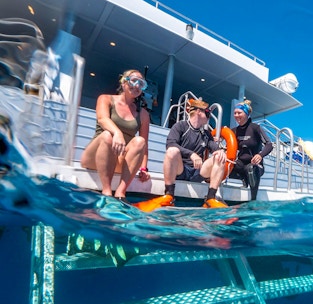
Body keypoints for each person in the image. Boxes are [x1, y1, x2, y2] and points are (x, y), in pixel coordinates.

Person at [80, 69, 151, 202]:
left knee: (140, 141)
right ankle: (106, 191)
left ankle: (120, 193)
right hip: (94, 158)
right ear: (124, 82)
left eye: (141, 84)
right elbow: (102, 119)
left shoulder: (143, 114)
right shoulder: (105, 99)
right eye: (134, 80)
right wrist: (117, 133)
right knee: (107, 135)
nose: (137, 86)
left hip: (119, 160)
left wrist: (143, 168)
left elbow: (144, 147)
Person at [161, 98, 228, 208]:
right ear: (198, 112)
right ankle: (169, 195)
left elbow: (214, 147)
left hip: (197, 172)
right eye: (207, 112)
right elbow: (170, 144)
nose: (209, 115)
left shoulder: (206, 133)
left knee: (220, 156)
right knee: (172, 151)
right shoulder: (180, 126)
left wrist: (220, 151)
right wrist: (191, 154)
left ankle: (211, 198)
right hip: (180, 170)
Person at [230, 99, 273, 200]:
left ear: (246, 113)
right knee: (227, 165)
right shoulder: (234, 131)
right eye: (235, 113)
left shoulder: (255, 128)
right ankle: (243, 179)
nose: (236, 115)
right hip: (241, 165)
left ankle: (253, 199)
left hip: (256, 166)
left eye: (239, 113)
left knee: (251, 169)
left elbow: (269, 144)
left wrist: (260, 155)